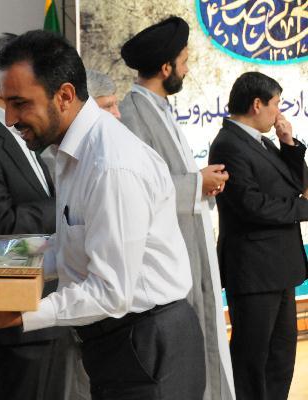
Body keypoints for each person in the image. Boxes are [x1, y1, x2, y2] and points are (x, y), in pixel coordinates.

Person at [0, 29, 206, 400]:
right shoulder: (75, 151)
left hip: (147, 344)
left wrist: (18, 314)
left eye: (19, 103)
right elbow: (68, 246)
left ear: (63, 96)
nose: (10, 118)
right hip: (121, 343)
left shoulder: (110, 164)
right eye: (6, 104)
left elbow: (110, 292)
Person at [0, 33, 89, 400]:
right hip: (16, 326)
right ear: (3, 78)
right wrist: (67, 204)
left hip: (49, 311)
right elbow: (0, 228)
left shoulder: (16, 131)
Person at [118, 16, 235, 400]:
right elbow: (134, 190)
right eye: (183, 61)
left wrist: (203, 184)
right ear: (166, 67)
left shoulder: (161, 108)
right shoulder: (132, 114)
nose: (187, 69)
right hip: (168, 260)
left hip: (191, 243)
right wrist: (196, 183)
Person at [209, 71, 308, 400]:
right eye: (276, 104)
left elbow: (296, 184)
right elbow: (252, 206)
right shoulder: (228, 145)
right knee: (252, 360)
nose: (278, 112)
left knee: (280, 358)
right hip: (254, 271)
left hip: (278, 268)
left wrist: (288, 143)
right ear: (256, 104)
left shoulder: (261, 141)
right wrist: (303, 208)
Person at [42, 68, 120, 180]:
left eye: (116, 105)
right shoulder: (50, 164)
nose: (118, 114)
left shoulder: (115, 152)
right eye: (108, 106)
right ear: (82, 108)